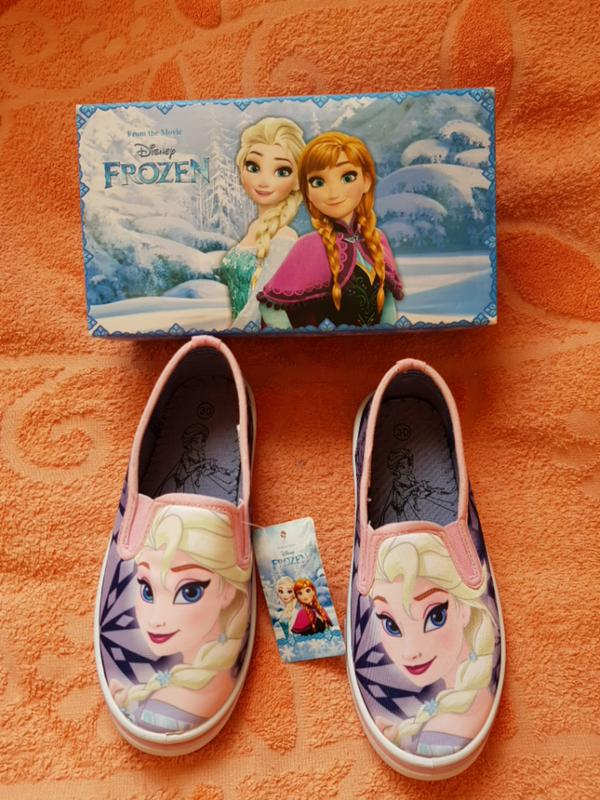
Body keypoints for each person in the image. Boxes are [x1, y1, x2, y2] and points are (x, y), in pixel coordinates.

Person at [108, 505, 251, 733]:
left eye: (189, 592)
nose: (156, 620)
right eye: (146, 589)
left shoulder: (165, 704)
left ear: (227, 590)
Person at [257, 131, 404, 328]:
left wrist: (387, 336)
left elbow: (388, 302)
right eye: (318, 182)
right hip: (324, 345)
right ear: (308, 192)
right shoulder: (309, 246)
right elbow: (270, 306)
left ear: (367, 181)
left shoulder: (377, 239)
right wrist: (294, 341)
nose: (333, 193)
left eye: (348, 177)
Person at [369, 533, 497, 757]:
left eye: (435, 616)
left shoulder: (440, 734)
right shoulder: (447, 720)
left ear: (464, 609)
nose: (410, 652)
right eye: (390, 624)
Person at [214, 116, 306, 328]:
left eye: (282, 172)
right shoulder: (254, 227)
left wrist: (233, 335)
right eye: (254, 167)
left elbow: (260, 303)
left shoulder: (285, 237)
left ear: (297, 181)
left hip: (264, 337)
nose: (264, 181)